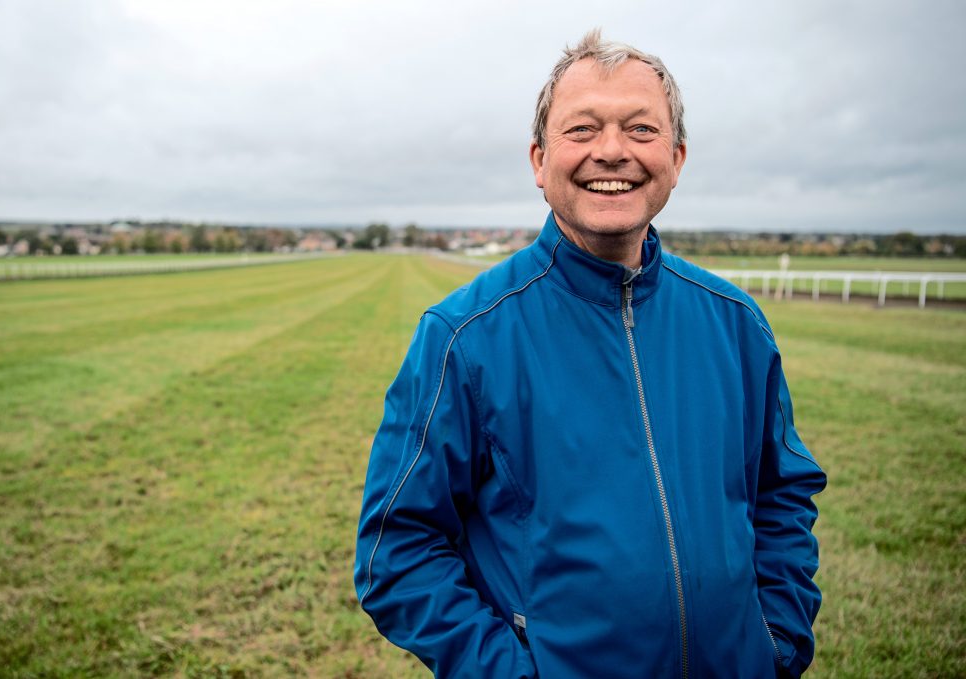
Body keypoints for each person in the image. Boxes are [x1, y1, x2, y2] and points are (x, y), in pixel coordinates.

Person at [354, 29, 826, 679]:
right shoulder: (463, 337)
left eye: (640, 129)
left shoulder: (737, 323)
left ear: (678, 158)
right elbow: (396, 551)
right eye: (582, 130)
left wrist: (775, 640)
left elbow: (783, 497)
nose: (612, 151)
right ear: (539, 160)